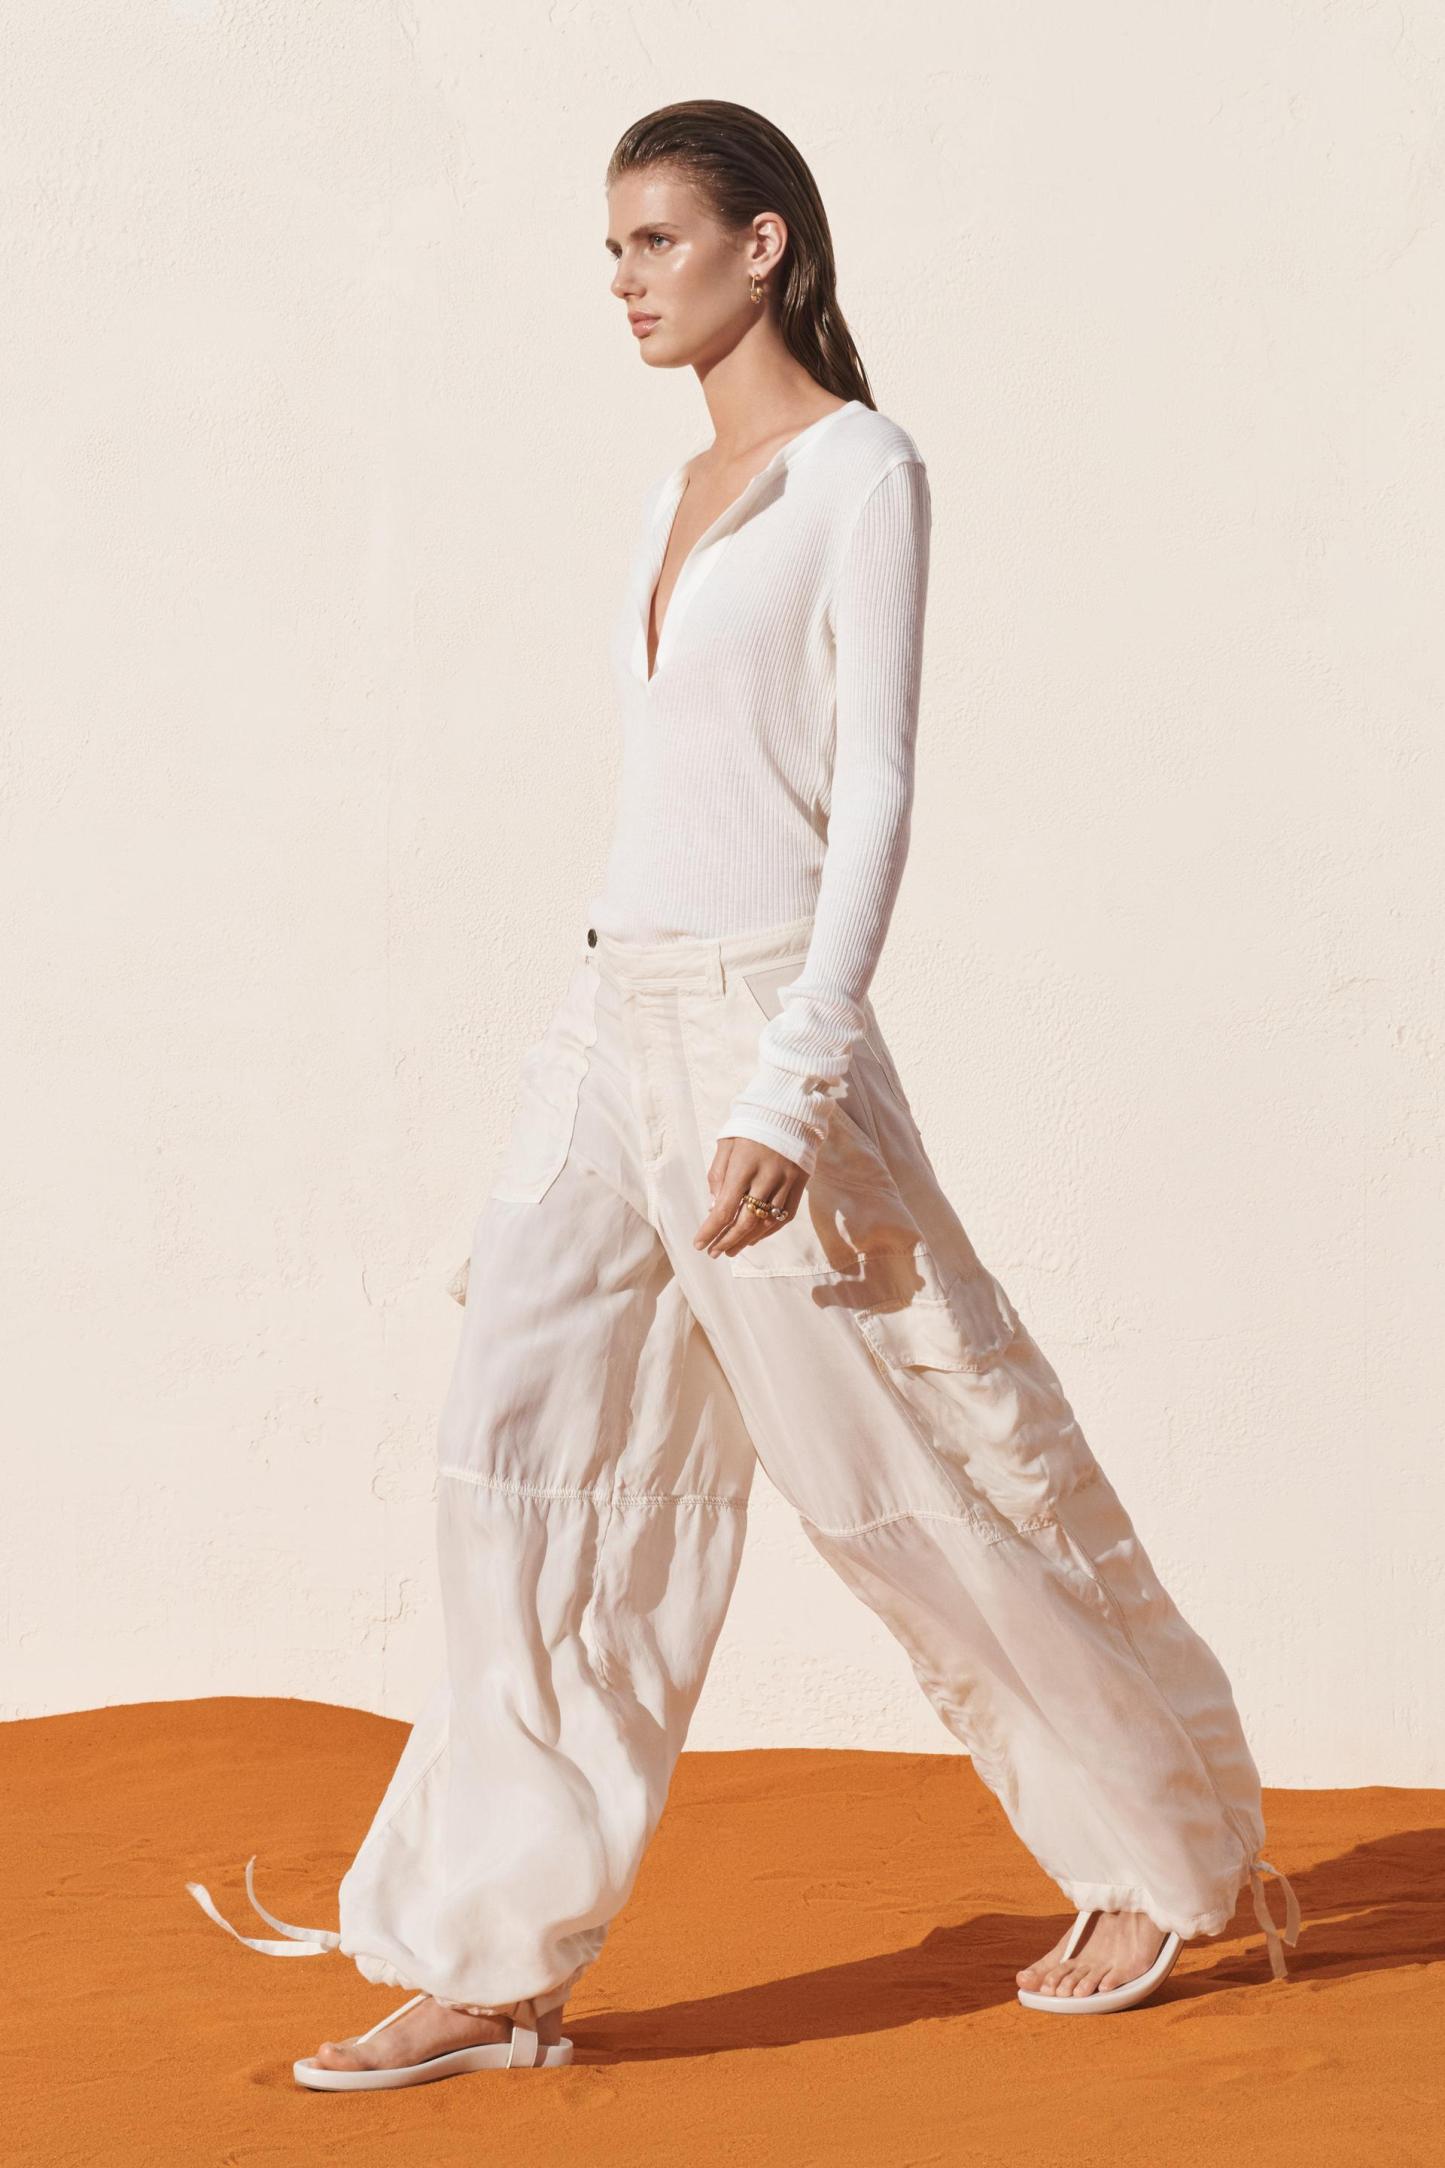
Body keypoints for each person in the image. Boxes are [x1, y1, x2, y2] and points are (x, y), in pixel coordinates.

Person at [185, 98, 1300, 2090]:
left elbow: (870, 789)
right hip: (612, 1008)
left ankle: (1158, 1854)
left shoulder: (862, 468)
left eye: (656, 241)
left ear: (761, 244)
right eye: (610, 249)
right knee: (522, 1450)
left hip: (762, 1021)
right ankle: (490, 1960)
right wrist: (584, 1064)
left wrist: (791, 1086)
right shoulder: (672, 492)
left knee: (916, 1465)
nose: (623, 282)